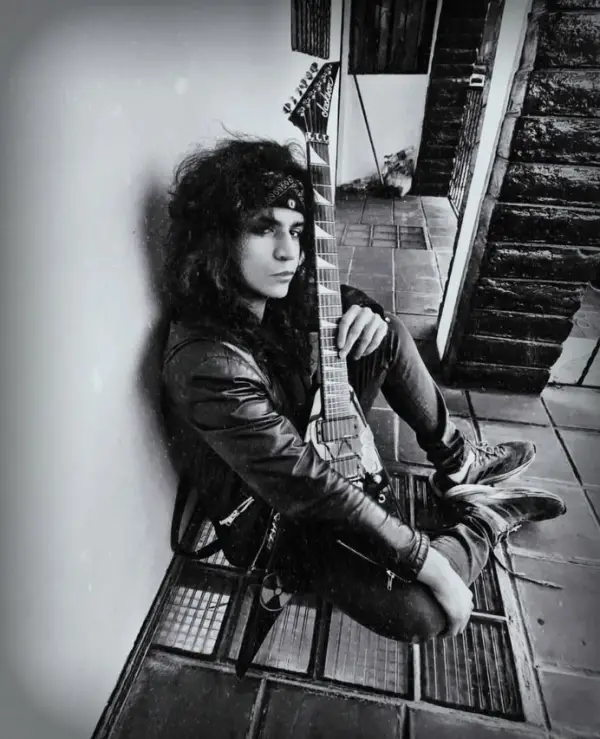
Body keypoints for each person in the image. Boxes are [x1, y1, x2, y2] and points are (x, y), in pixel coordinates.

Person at [160, 137, 566, 645]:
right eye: (263, 229)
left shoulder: (266, 291)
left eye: (296, 231)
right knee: (423, 613)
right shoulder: (208, 364)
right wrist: (428, 561)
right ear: (217, 237)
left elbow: (332, 297)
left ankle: (459, 464)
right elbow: (307, 486)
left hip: (306, 442)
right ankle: (485, 518)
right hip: (276, 515)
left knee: (383, 332)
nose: (288, 251)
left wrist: (367, 313)